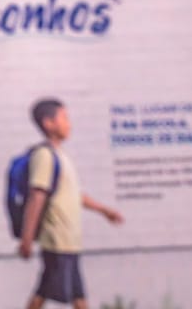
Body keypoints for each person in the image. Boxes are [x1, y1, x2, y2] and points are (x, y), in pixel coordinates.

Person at [17, 98, 122, 309]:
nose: (69, 124)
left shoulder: (61, 156)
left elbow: (74, 195)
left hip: (69, 242)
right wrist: (26, 238)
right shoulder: (45, 156)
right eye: (64, 118)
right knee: (41, 295)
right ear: (48, 123)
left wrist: (103, 210)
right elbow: (37, 196)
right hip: (57, 242)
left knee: (77, 298)